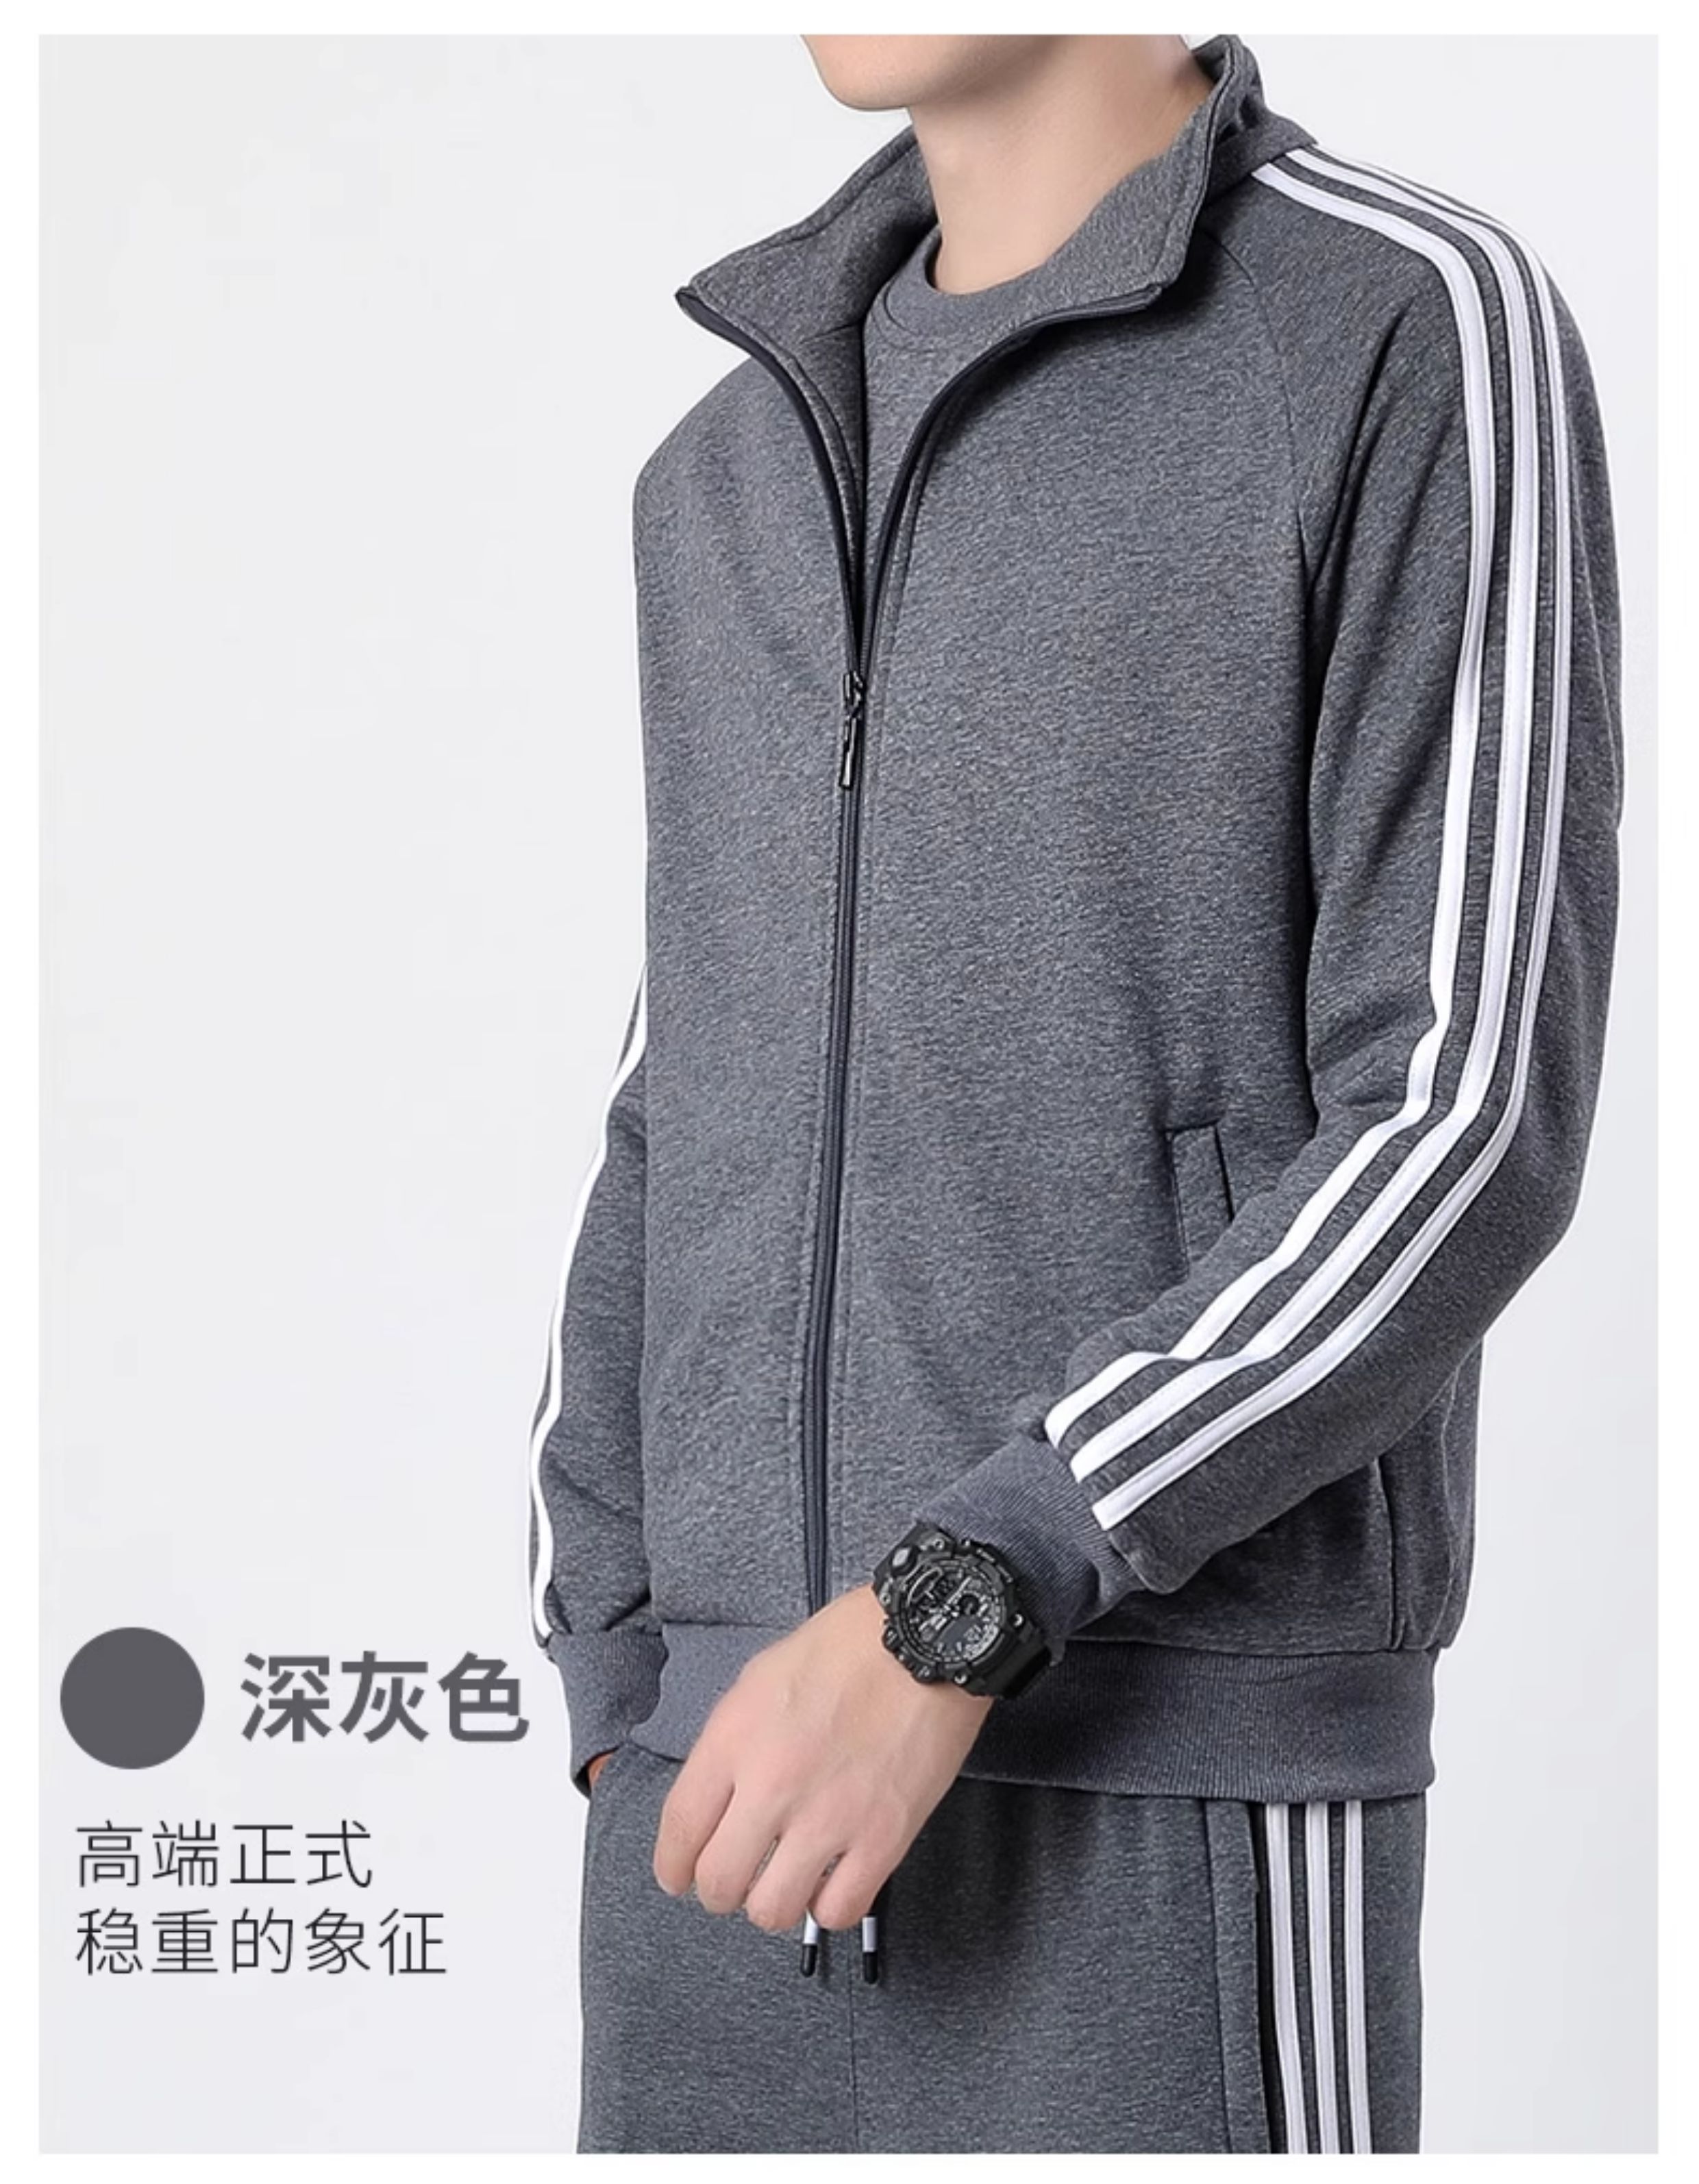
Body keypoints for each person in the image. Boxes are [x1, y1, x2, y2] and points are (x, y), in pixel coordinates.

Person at [526, 30, 1622, 2155]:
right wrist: (617, 1656)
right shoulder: (730, 463)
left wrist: (967, 1594)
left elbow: (1464, 1106)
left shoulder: (1397, 328)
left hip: (1171, 1802)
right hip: (715, 1824)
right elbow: (682, 1093)